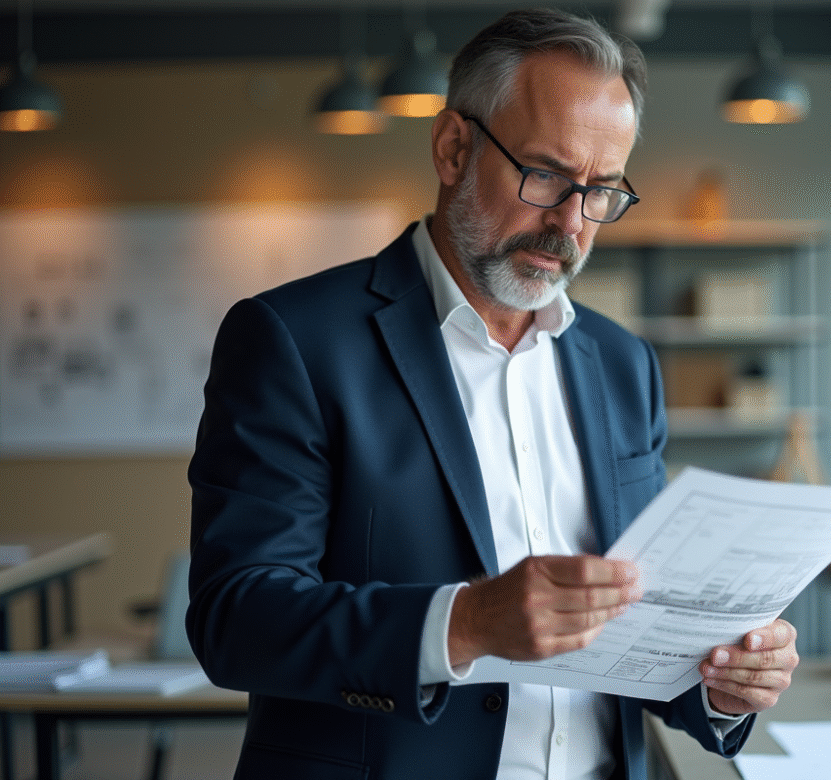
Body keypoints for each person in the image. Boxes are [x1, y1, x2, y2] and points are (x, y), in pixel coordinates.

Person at [186, 8, 798, 779]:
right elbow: (236, 617)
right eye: (545, 175)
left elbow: (644, 632)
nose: (570, 224)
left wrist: (726, 685)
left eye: (602, 190)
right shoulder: (293, 339)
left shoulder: (622, 363)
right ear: (452, 148)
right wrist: (464, 624)